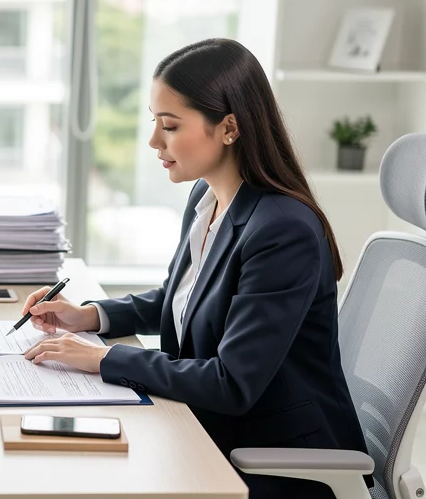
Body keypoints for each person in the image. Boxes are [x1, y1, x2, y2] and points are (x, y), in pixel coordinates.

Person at [21, 38, 371, 498]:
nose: (153, 141)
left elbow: (232, 383)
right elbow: (180, 299)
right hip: (204, 431)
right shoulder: (208, 199)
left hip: (276, 461)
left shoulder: (283, 231)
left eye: (169, 126)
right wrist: (89, 317)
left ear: (229, 127)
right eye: (154, 123)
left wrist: (105, 358)